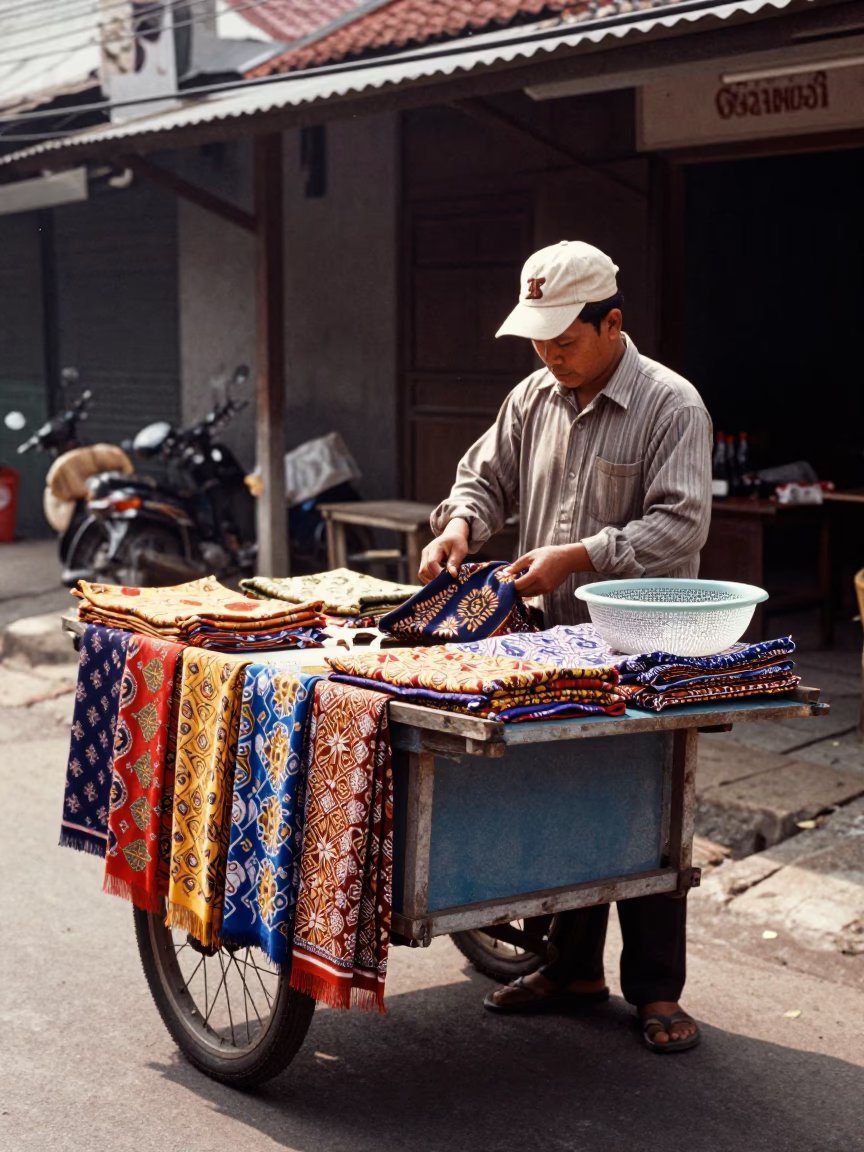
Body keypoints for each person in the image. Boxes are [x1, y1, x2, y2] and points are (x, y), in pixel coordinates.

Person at [419, 240, 712, 1053]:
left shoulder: (672, 405)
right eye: (539, 341)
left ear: (612, 323)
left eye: (565, 340)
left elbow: (681, 523)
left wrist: (578, 557)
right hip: (552, 643)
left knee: (645, 808)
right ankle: (571, 966)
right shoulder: (532, 396)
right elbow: (484, 477)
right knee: (566, 799)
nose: (550, 356)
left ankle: (656, 990)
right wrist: (460, 525)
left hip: (646, 644)